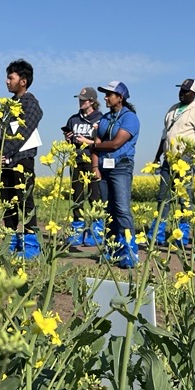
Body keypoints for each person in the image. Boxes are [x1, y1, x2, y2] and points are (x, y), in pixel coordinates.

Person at [80, 81, 139, 268]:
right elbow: (97, 142)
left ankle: (129, 251)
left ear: (120, 97)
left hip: (121, 167)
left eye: (109, 94)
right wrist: (95, 167)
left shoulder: (130, 118)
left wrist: (91, 144)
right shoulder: (105, 119)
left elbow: (115, 144)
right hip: (104, 168)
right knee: (108, 210)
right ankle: (112, 249)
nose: (105, 97)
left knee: (122, 209)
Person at [150, 78, 195, 246]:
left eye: (185, 91)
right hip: (169, 158)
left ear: (194, 93)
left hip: (185, 159)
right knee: (163, 196)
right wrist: (157, 155)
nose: (181, 93)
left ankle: (183, 233)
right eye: (180, 90)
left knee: (184, 197)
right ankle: (158, 232)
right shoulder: (173, 109)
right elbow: (165, 134)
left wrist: (193, 157)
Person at [2, 59, 43, 259]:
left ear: (23, 81)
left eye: (11, 77)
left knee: (25, 201)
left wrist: (5, 152)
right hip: (6, 160)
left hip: (22, 159)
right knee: (7, 201)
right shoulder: (7, 106)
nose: (7, 81)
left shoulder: (31, 104)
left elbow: (24, 132)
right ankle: (10, 240)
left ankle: (30, 243)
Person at [62, 87, 107, 247]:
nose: (80, 102)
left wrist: (86, 141)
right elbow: (70, 140)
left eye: (84, 99)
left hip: (93, 161)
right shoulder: (73, 119)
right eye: (79, 99)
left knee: (95, 196)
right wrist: (69, 138)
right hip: (76, 161)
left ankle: (96, 230)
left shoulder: (101, 119)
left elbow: (104, 141)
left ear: (92, 101)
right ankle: (77, 229)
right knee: (77, 197)